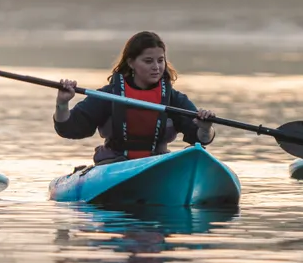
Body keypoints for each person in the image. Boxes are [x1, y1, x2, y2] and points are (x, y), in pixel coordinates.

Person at [54, 31, 216, 164]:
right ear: (131, 62)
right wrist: (62, 103)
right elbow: (69, 128)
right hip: (114, 165)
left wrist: (205, 128)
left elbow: (201, 139)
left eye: (160, 61)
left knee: (194, 151)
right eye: (148, 61)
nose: (156, 67)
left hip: (157, 164)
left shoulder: (173, 99)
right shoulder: (109, 95)